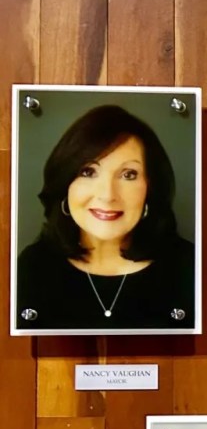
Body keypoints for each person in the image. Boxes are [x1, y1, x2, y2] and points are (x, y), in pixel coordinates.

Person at [15, 104, 195, 330]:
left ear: (151, 187)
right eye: (88, 172)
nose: (108, 195)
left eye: (128, 174)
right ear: (65, 183)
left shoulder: (188, 267)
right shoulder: (33, 267)